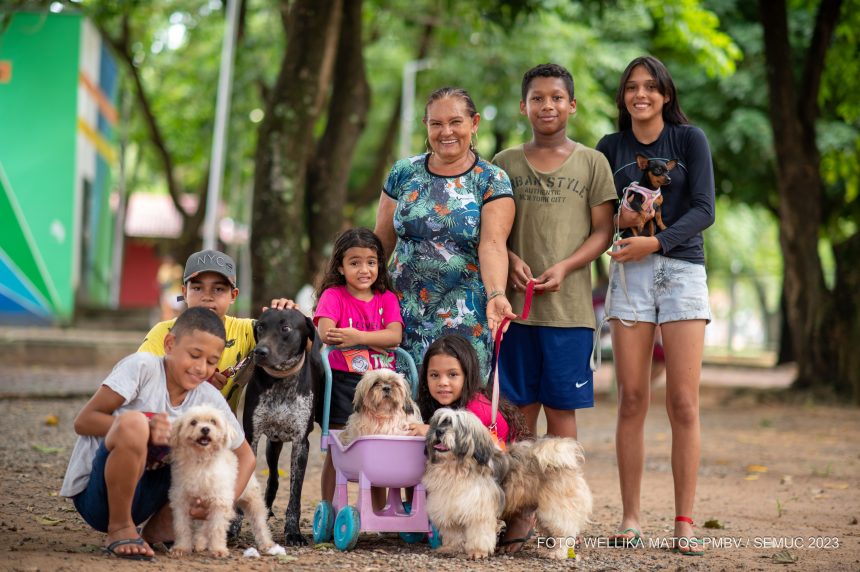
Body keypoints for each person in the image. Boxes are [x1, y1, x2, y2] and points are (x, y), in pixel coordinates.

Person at [595, 55, 715, 555]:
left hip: (682, 271)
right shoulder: (610, 147)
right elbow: (603, 223)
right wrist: (625, 222)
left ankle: (684, 521)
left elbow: (704, 209)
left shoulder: (690, 141)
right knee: (633, 399)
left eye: (651, 87)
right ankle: (631, 517)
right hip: (628, 275)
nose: (640, 94)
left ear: (666, 94)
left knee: (683, 402)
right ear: (624, 97)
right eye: (632, 87)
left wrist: (658, 244)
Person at [59, 307, 253, 560]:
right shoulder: (142, 368)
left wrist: (220, 503)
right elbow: (83, 421)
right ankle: (119, 527)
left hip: (150, 497)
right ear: (170, 344)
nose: (200, 367)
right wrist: (145, 427)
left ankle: (155, 531)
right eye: (194, 355)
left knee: (210, 455)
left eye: (211, 362)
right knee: (134, 424)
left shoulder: (209, 398)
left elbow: (246, 457)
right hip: (99, 497)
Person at [492, 63, 616, 441]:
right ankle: (521, 499)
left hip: (570, 314)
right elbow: (493, 232)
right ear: (523, 106)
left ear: (572, 105)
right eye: (538, 98)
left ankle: (562, 500)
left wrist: (565, 266)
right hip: (515, 313)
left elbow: (603, 232)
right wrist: (510, 259)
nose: (548, 105)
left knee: (562, 410)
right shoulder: (504, 163)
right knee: (518, 413)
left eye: (557, 98)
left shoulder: (592, 163)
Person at [374, 87, 516, 380]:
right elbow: (381, 242)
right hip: (401, 312)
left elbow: (492, 244)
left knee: (456, 410)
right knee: (399, 405)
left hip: (464, 313)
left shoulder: (491, 179)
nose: (446, 131)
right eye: (436, 123)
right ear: (426, 126)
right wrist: (358, 294)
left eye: (455, 122)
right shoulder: (404, 172)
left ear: (474, 123)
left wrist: (497, 294)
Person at [407, 334, 533, 552]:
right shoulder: (437, 406)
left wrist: (428, 430)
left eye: (453, 375)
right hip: (466, 475)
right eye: (434, 375)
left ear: (468, 375)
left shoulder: (477, 409)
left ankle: (522, 517)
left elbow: (484, 456)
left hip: (507, 476)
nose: (442, 382)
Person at [138, 249, 294, 411]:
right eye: (197, 288)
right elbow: (138, 383)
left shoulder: (247, 332)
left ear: (233, 295)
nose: (207, 296)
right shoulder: (163, 332)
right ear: (184, 292)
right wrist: (194, 381)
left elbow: (302, 347)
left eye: (218, 289)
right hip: (168, 427)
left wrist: (289, 320)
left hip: (222, 431)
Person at [314, 228, 403, 508]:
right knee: (338, 445)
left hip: (379, 380)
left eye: (371, 262)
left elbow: (394, 336)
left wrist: (356, 338)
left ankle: (378, 510)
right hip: (344, 380)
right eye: (354, 263)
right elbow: (327, 332)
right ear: (340, 266)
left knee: (379, 443)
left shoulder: (385, 297)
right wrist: (373, 340)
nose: (364, 269)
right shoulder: (334, 295)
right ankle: (329, 505)